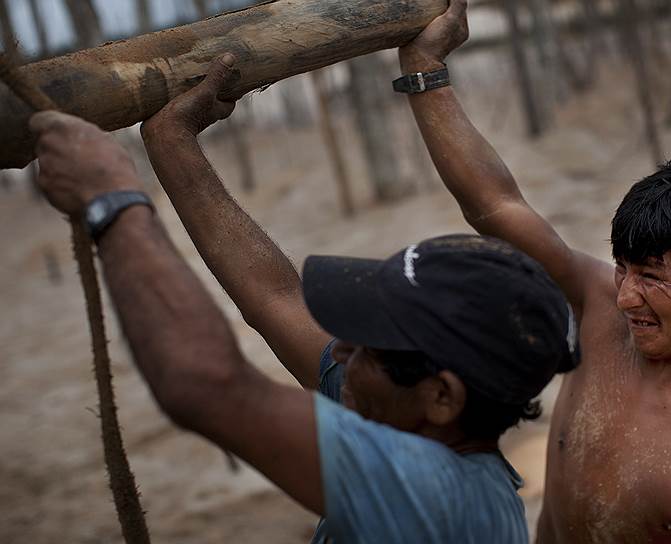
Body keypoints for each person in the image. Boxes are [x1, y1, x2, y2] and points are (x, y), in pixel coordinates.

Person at [30, 63, 578, 543]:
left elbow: (203, 385)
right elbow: (275, 296)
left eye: (368, 347)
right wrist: (172, 140)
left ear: (441, 395)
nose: (339, 351)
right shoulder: (405, 415)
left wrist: (112, 198)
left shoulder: (440, 500)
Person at [396, 1, 671, 542]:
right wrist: (425, 71)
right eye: (623, 270)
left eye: (653, 277)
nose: (625, 298)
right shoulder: (597, 302)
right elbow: (495, 207)